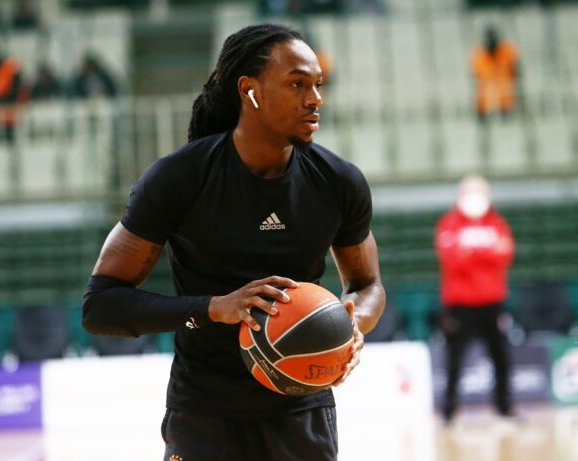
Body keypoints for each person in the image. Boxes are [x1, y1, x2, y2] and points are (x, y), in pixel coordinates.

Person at [82, 23, 385, 460]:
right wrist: (214, 308)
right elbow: (101, 306)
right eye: (297, 84)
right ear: (250, 91)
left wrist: (351, 325)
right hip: (204, 413)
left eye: (318, 85)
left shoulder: (338, 182)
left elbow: (367, 285)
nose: (315, 98)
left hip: (301, 412)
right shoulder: (179, 179)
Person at [434, 174, 515, 424]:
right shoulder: (448, 224)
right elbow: (452, 259)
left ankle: (504, 408)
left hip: (492, 302)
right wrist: (486, 253)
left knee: (501, 357)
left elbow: (505, 254)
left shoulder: (497, 223)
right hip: (460, 304)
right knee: (455, 359)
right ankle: (449, 411)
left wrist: (471, 253)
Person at [471, 25, 520, 121]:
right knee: (484, 89)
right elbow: (477, 74)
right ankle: (482, 113)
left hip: (504, 83)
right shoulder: (479, 54)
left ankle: (505, 112)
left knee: (504, 87)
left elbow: (514, 68)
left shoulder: (507, 51)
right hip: (488, 82)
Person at [0, 51, 29, 142]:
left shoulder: (7, 70)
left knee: (8, 124)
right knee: (0, 123)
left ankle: (8, 140)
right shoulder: (1, 71)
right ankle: (3, 139)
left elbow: (11, 88)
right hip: (3, 101)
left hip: (8, 101)